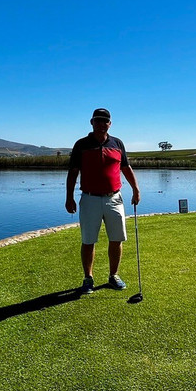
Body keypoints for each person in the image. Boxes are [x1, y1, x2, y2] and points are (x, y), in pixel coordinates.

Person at [65, 108, 141, 294]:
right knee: (88, 240)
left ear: (110, 124)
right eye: (97, 120)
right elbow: (73, 172)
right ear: (91, 122)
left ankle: (113, 276)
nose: (101, 124)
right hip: (89, 198)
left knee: (116, 239)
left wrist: (136, 189)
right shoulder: (81, 144)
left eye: (104, 121)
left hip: (114, 198)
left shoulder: (117, 143)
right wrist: (69, 197)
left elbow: (126, 168)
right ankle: (88, 278)